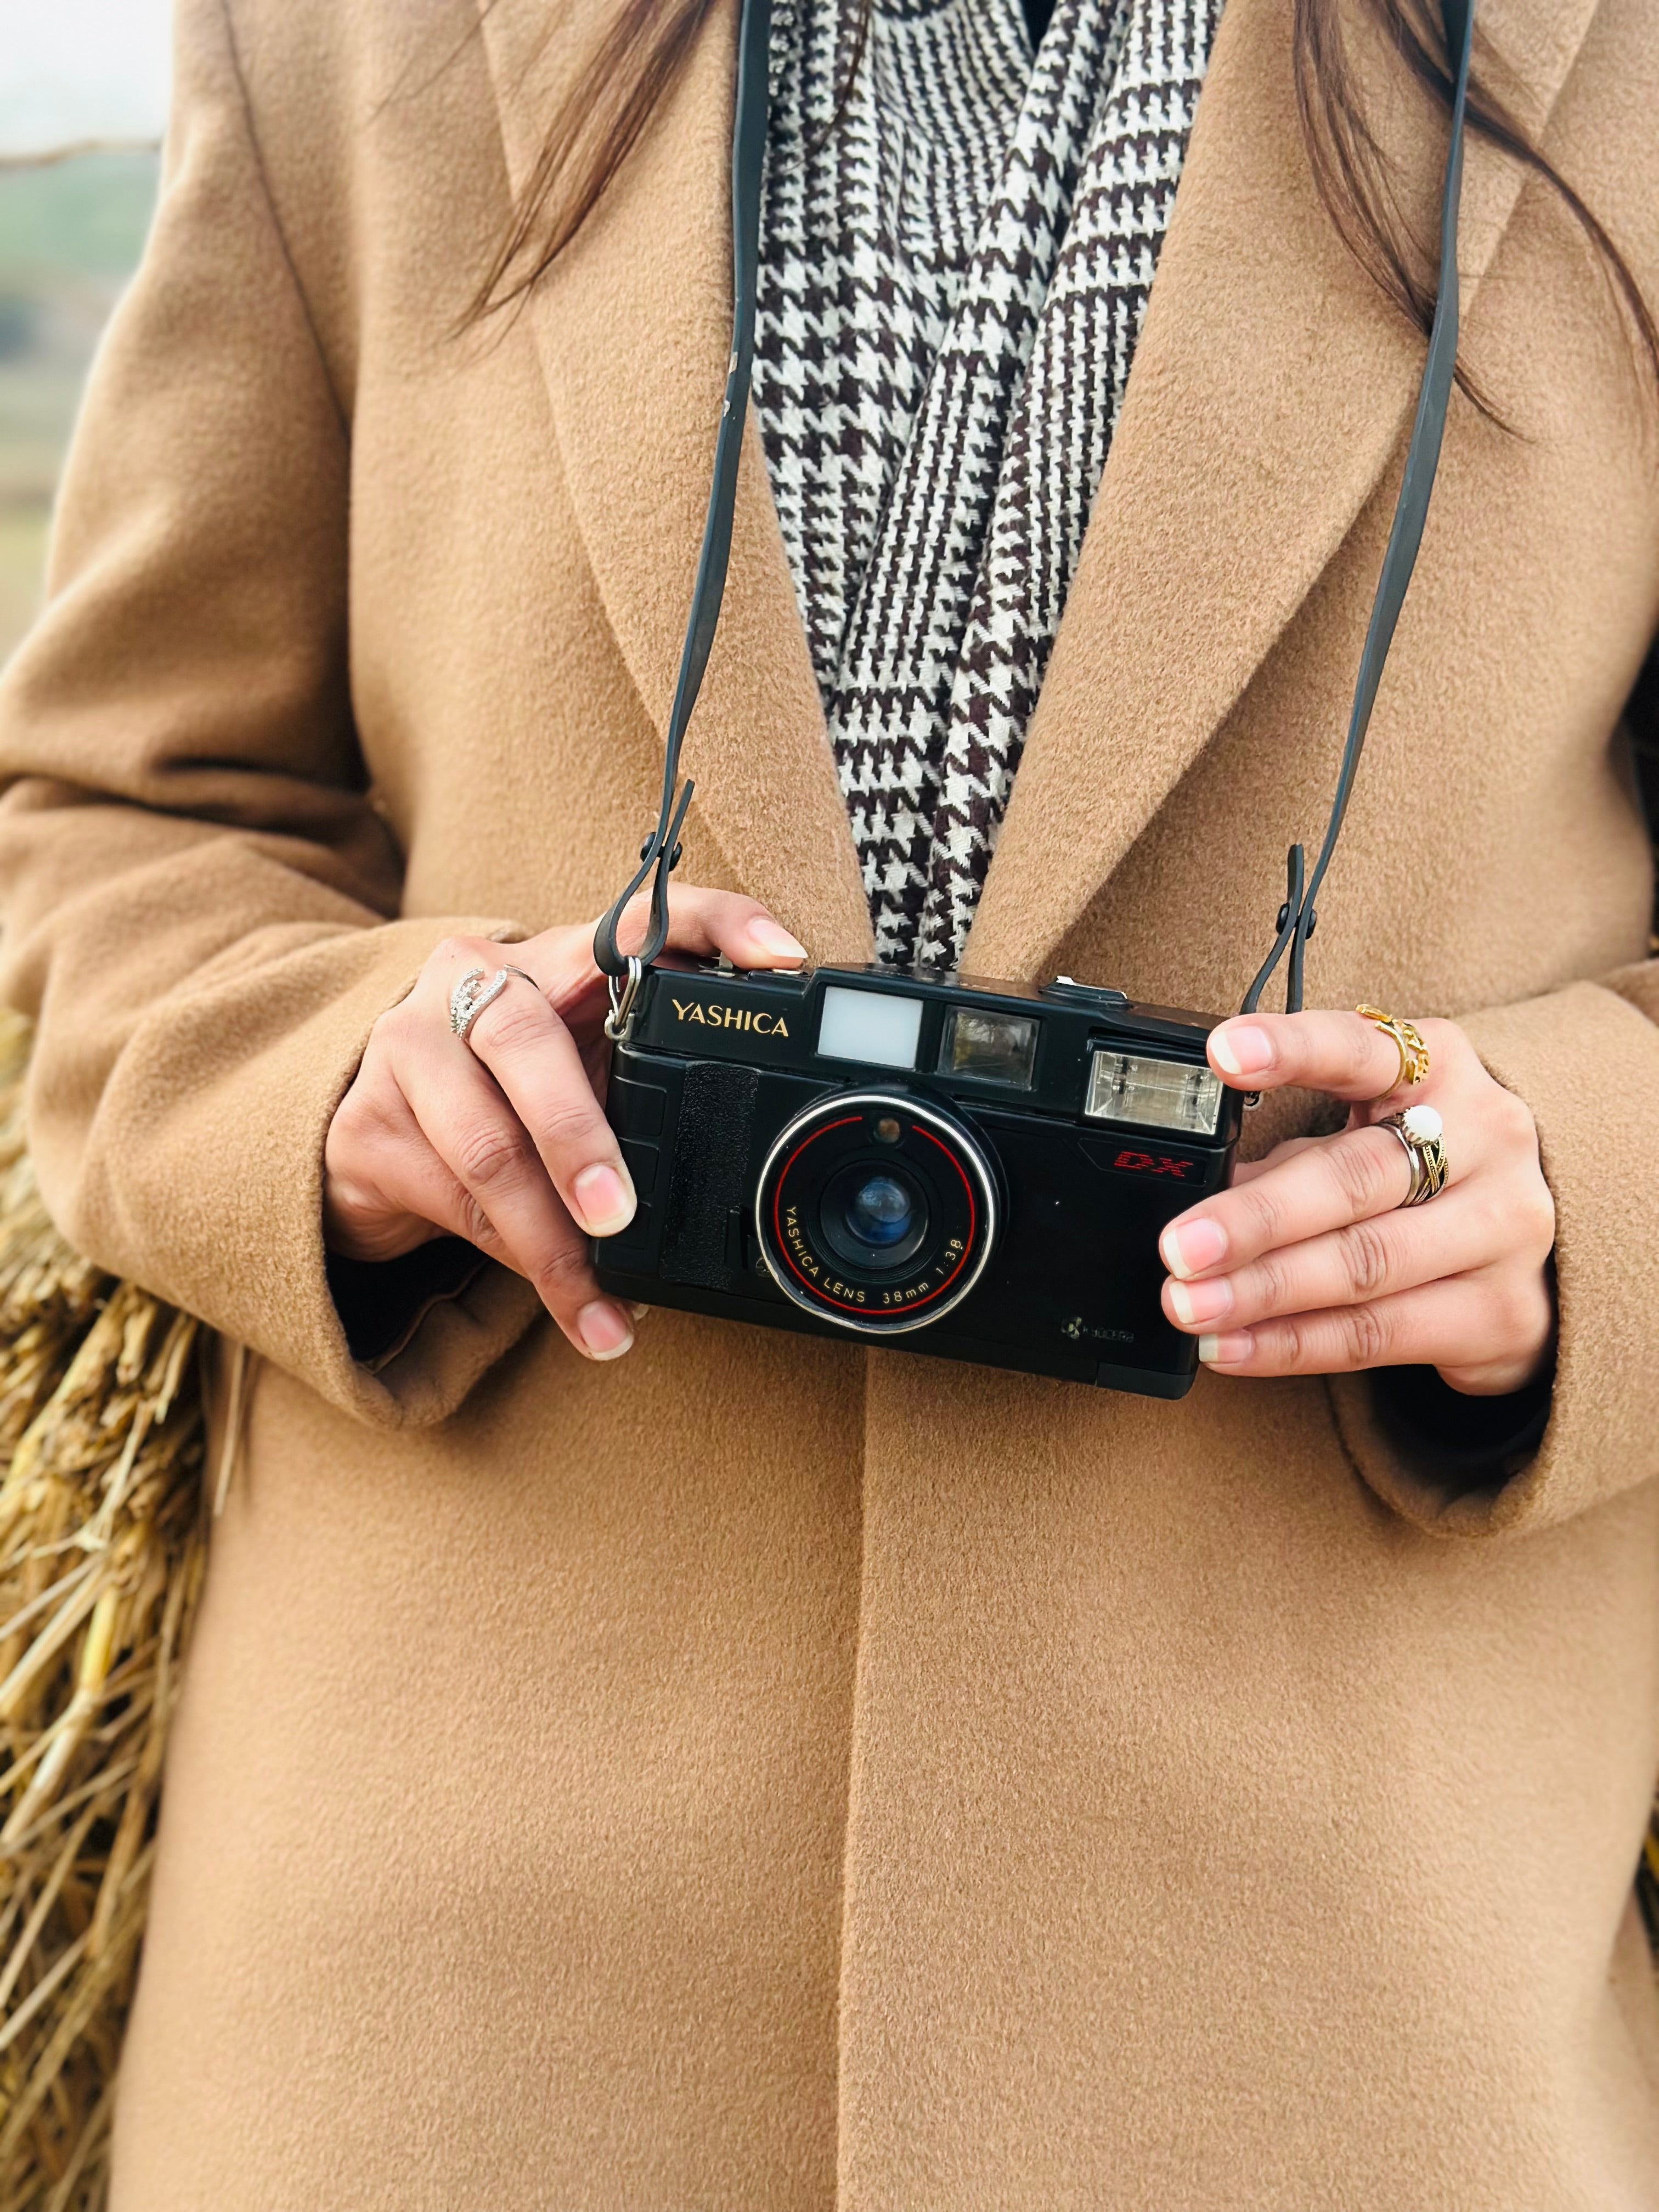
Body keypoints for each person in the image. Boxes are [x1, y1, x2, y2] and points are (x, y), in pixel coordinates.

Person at [0, 0, 1654, 2200]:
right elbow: (114, 821)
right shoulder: (343, 36)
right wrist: (340, 1077)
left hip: (1332, 2026)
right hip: (446, 2032)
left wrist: (1575, 1184)